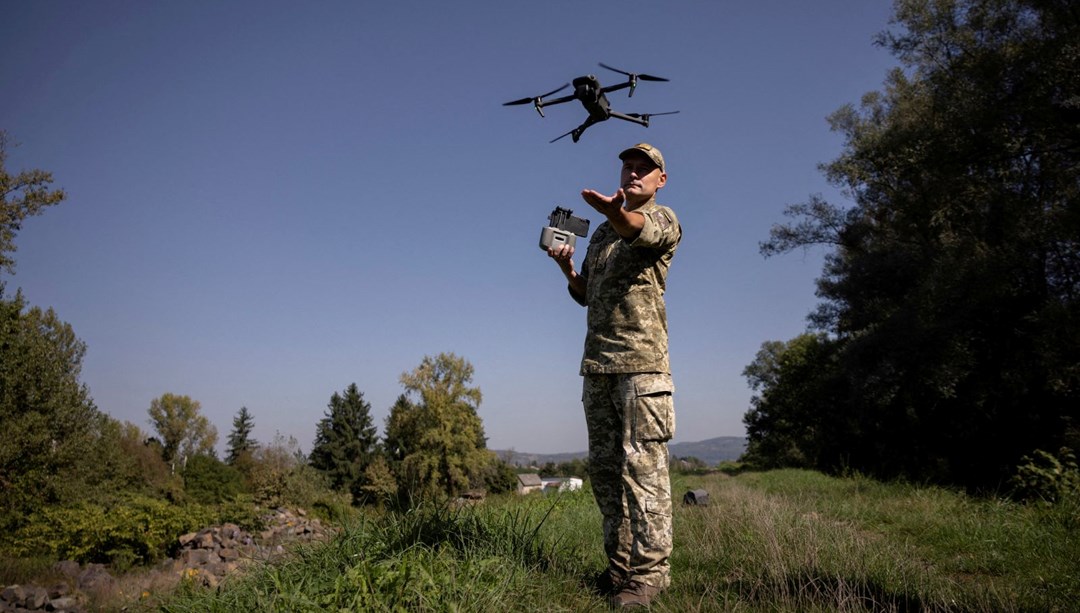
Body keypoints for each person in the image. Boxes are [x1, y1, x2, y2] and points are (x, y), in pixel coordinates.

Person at [546, 142, 681, 608]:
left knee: (643, 474)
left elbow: (637, 229)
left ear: (660, 180)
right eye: (628, 167)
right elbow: (587, 295)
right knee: (606, 476)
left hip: (642, 368)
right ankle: (620, 569)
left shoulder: (663, 219)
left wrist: (615, 212)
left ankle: (648, 577)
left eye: (645, 169)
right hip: (597, 367)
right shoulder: (602, 234)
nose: (633, 174)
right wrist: (567, 269)